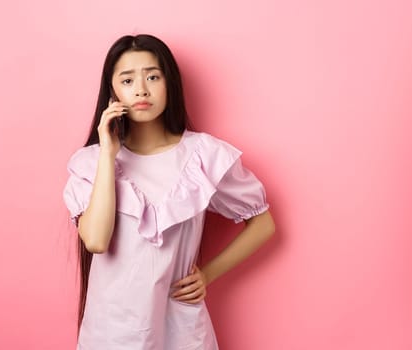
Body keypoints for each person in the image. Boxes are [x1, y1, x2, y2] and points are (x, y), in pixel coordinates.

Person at [62, 34, 276, 349]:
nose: (141, 89)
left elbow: (264, 223)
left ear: (169, 83)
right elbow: (95, 240)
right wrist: (108, 154)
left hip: (181, 329)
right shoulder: (91, 162)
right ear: (112, 91)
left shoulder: (204, 155)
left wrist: (207, 274)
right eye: (127, 79)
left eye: (152, 76)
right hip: (110, 330)